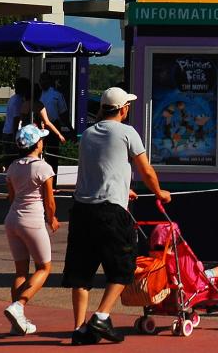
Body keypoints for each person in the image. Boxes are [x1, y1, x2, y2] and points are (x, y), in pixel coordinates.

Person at [63, 87, 171, 345]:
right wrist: (159, 192)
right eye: (128, 107)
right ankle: (101, 316)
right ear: (123, 109)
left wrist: (125, 188)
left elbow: (99, 169)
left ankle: (79, 329)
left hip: (82, 210)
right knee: (124, 267)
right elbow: (146, 170)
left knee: (81, 273)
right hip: (110, 212)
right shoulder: (127, 132)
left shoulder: (88, 134)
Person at [2, 124, 59, 336]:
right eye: (41, 139)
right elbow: (49, 201)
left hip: (12, 219)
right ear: (37, 144)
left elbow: (11, 195)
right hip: (32, 220)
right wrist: (52, 218)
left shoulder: (13, 166)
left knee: (20, 271)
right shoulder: (43, 167)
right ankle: (19, 306)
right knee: (44, 267)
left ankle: (17, 319)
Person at [35, 73, 69, 185]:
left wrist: (70, 129)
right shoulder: (37, 94)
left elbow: (63, 114)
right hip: (38, 127)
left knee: (52, 157)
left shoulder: (57, 95)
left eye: (44, 80)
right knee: (37, 155)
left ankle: (52, 183)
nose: (42, 82)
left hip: (53, 126)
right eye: (41, 80)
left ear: (49, 81)